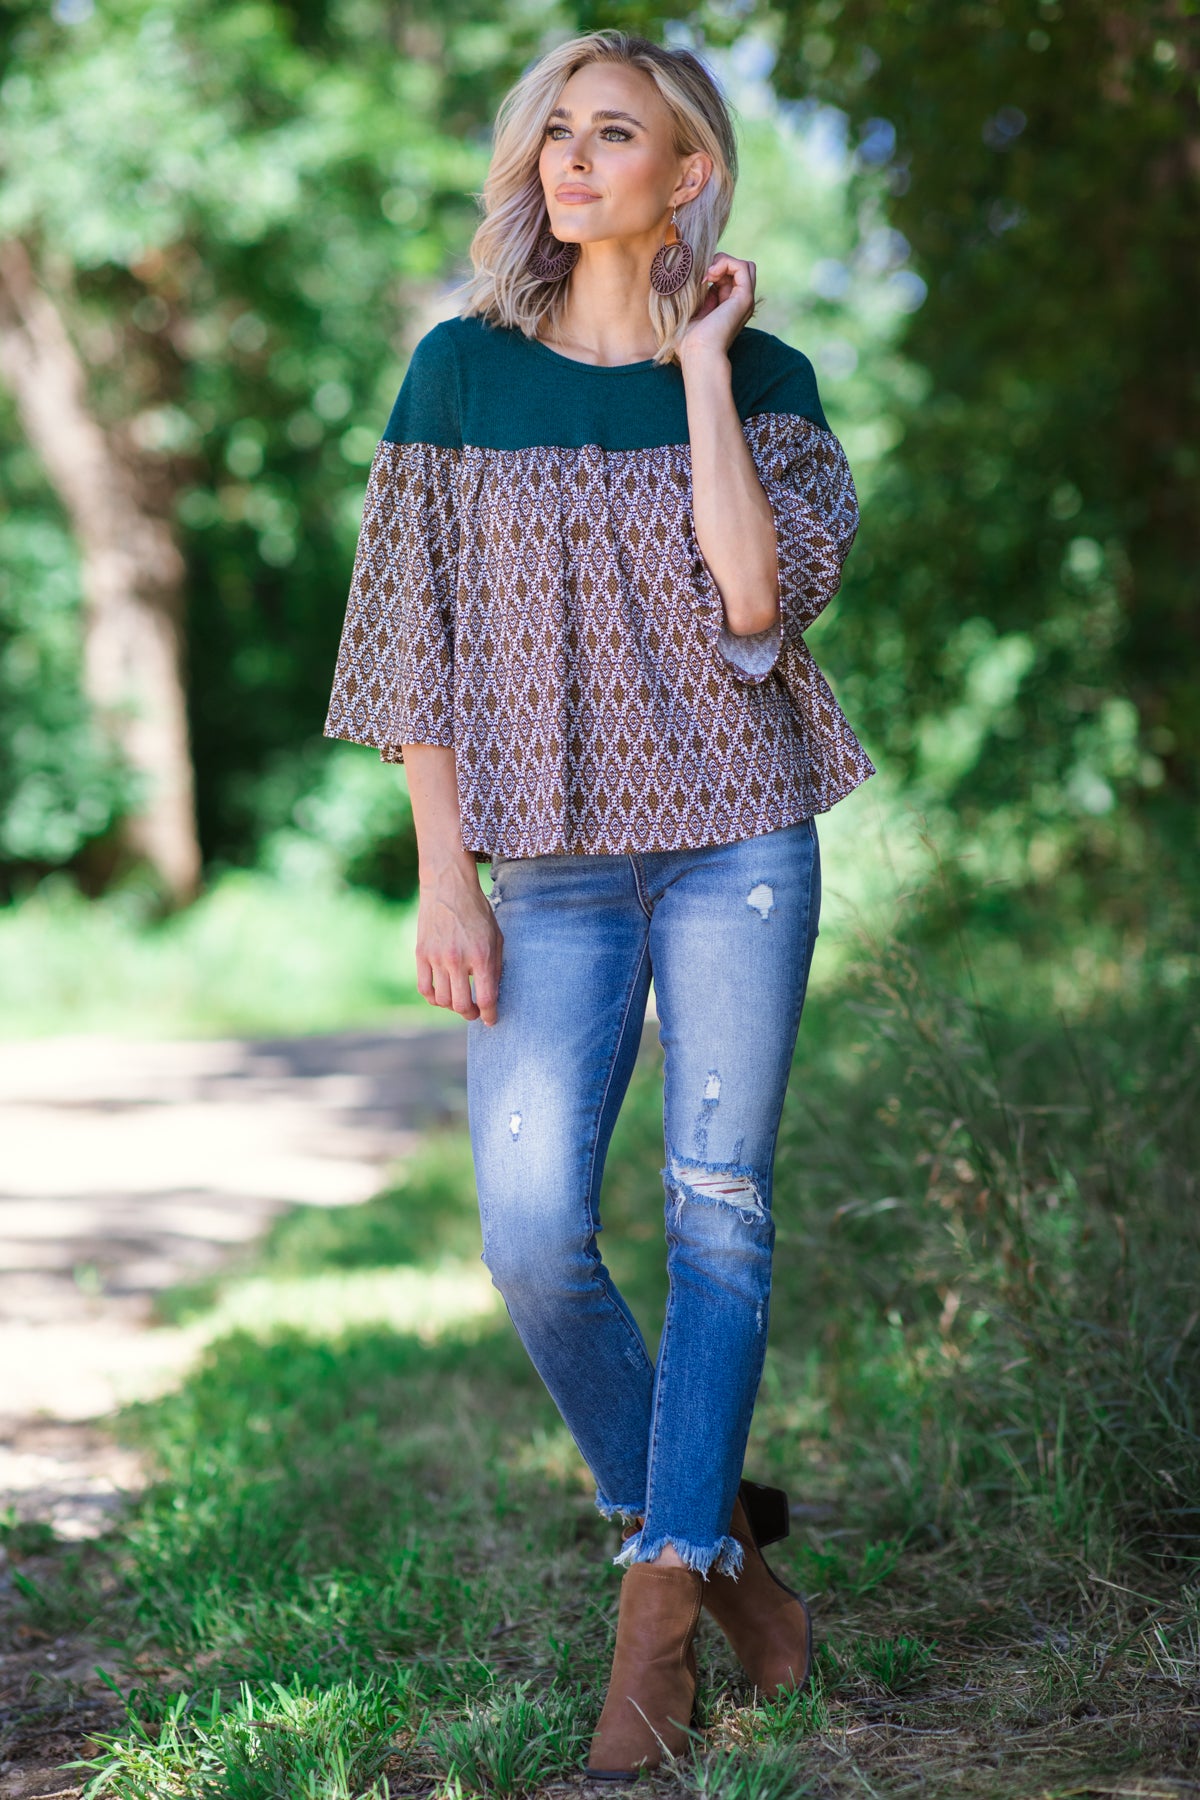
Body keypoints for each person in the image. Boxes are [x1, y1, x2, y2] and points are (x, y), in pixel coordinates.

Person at [324, 28, 874, 1780]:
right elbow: (408, 638)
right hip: (544, 868)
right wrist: (444, 873)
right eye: (552, 130)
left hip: (738, 846)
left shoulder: (771, 378)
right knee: (529, 1235)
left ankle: (651, 1644)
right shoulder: (460, 374)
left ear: (684, 173)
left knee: (719, 1214)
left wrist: (703, 368)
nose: (568, 158)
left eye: (611, 132)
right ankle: (731, 1572)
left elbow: (752, 615)